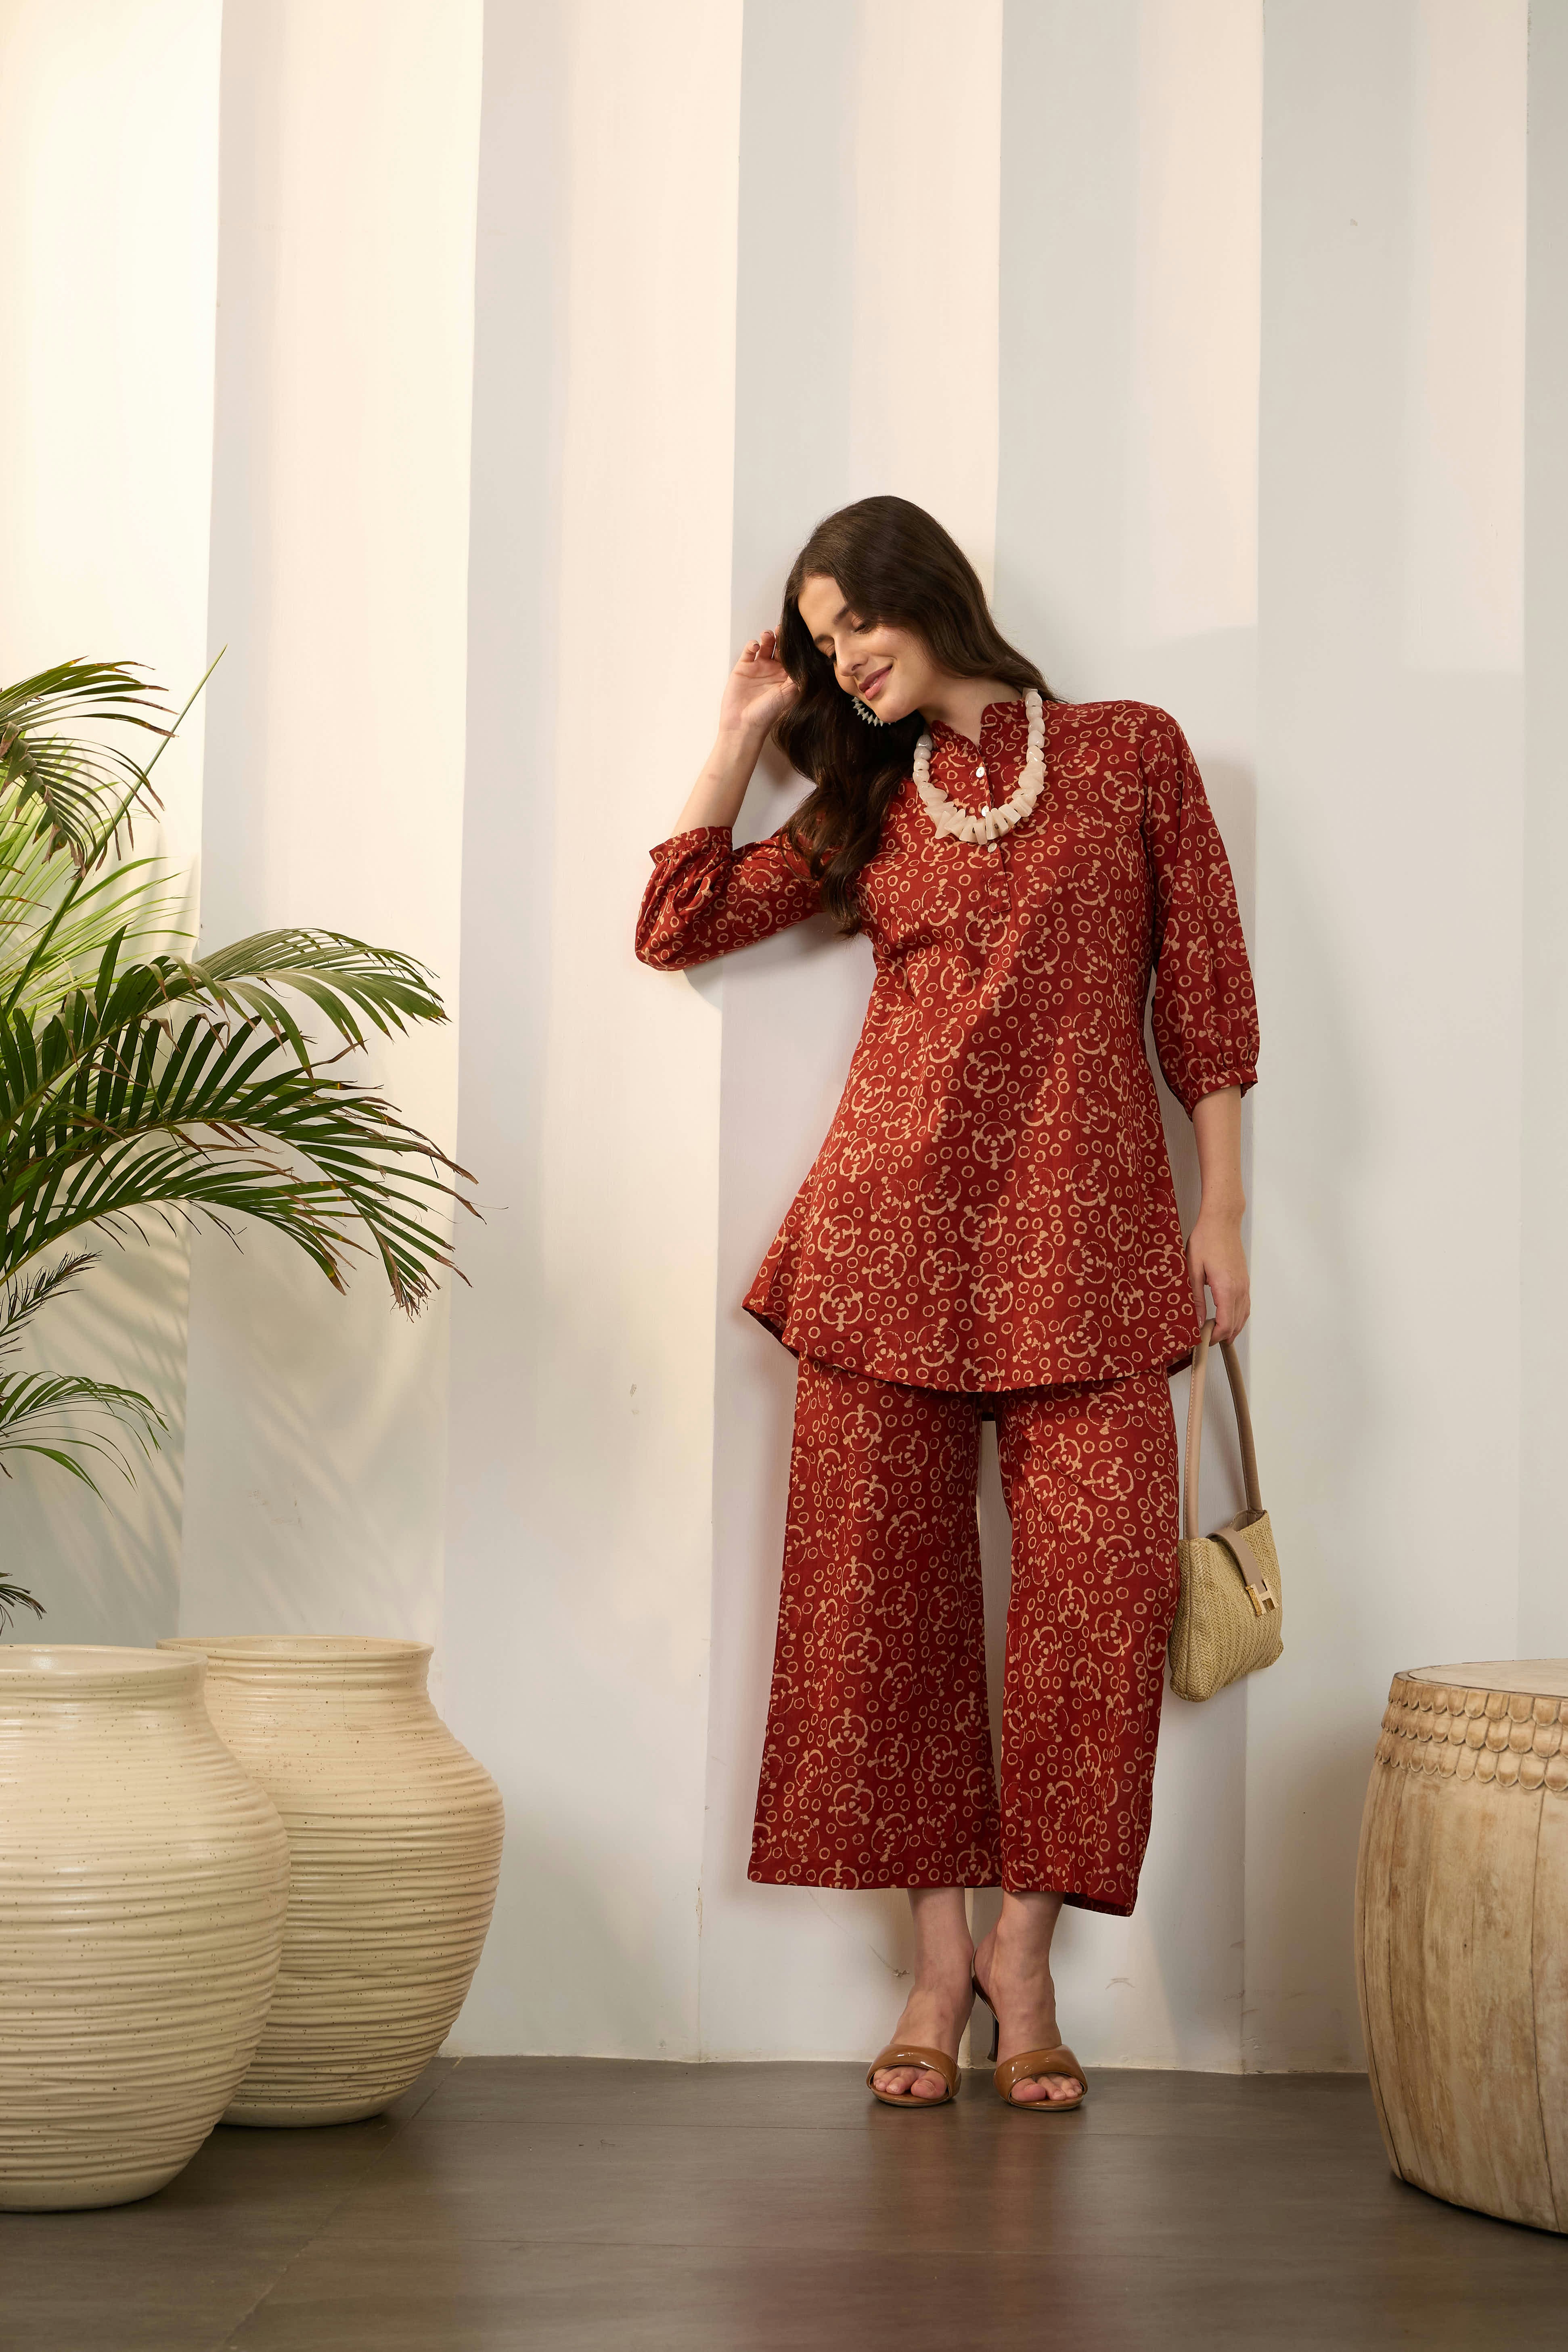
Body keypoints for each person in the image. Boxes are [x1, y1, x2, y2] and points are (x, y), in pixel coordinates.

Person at [634, 496, 1257, 2112]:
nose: (846, 658)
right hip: (885, 1251)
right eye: (823, 641)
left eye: (856, 626)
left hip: (1098, 1251)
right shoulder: (868, 804)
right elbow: (677, 922)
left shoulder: (1129, 753)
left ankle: (1022, 1957)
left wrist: (1229, 1208)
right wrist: (741, 728)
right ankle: (932, 1963)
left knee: (1091, 1623)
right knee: (882, 1623)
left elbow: (1203, 988)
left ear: (929, 593)